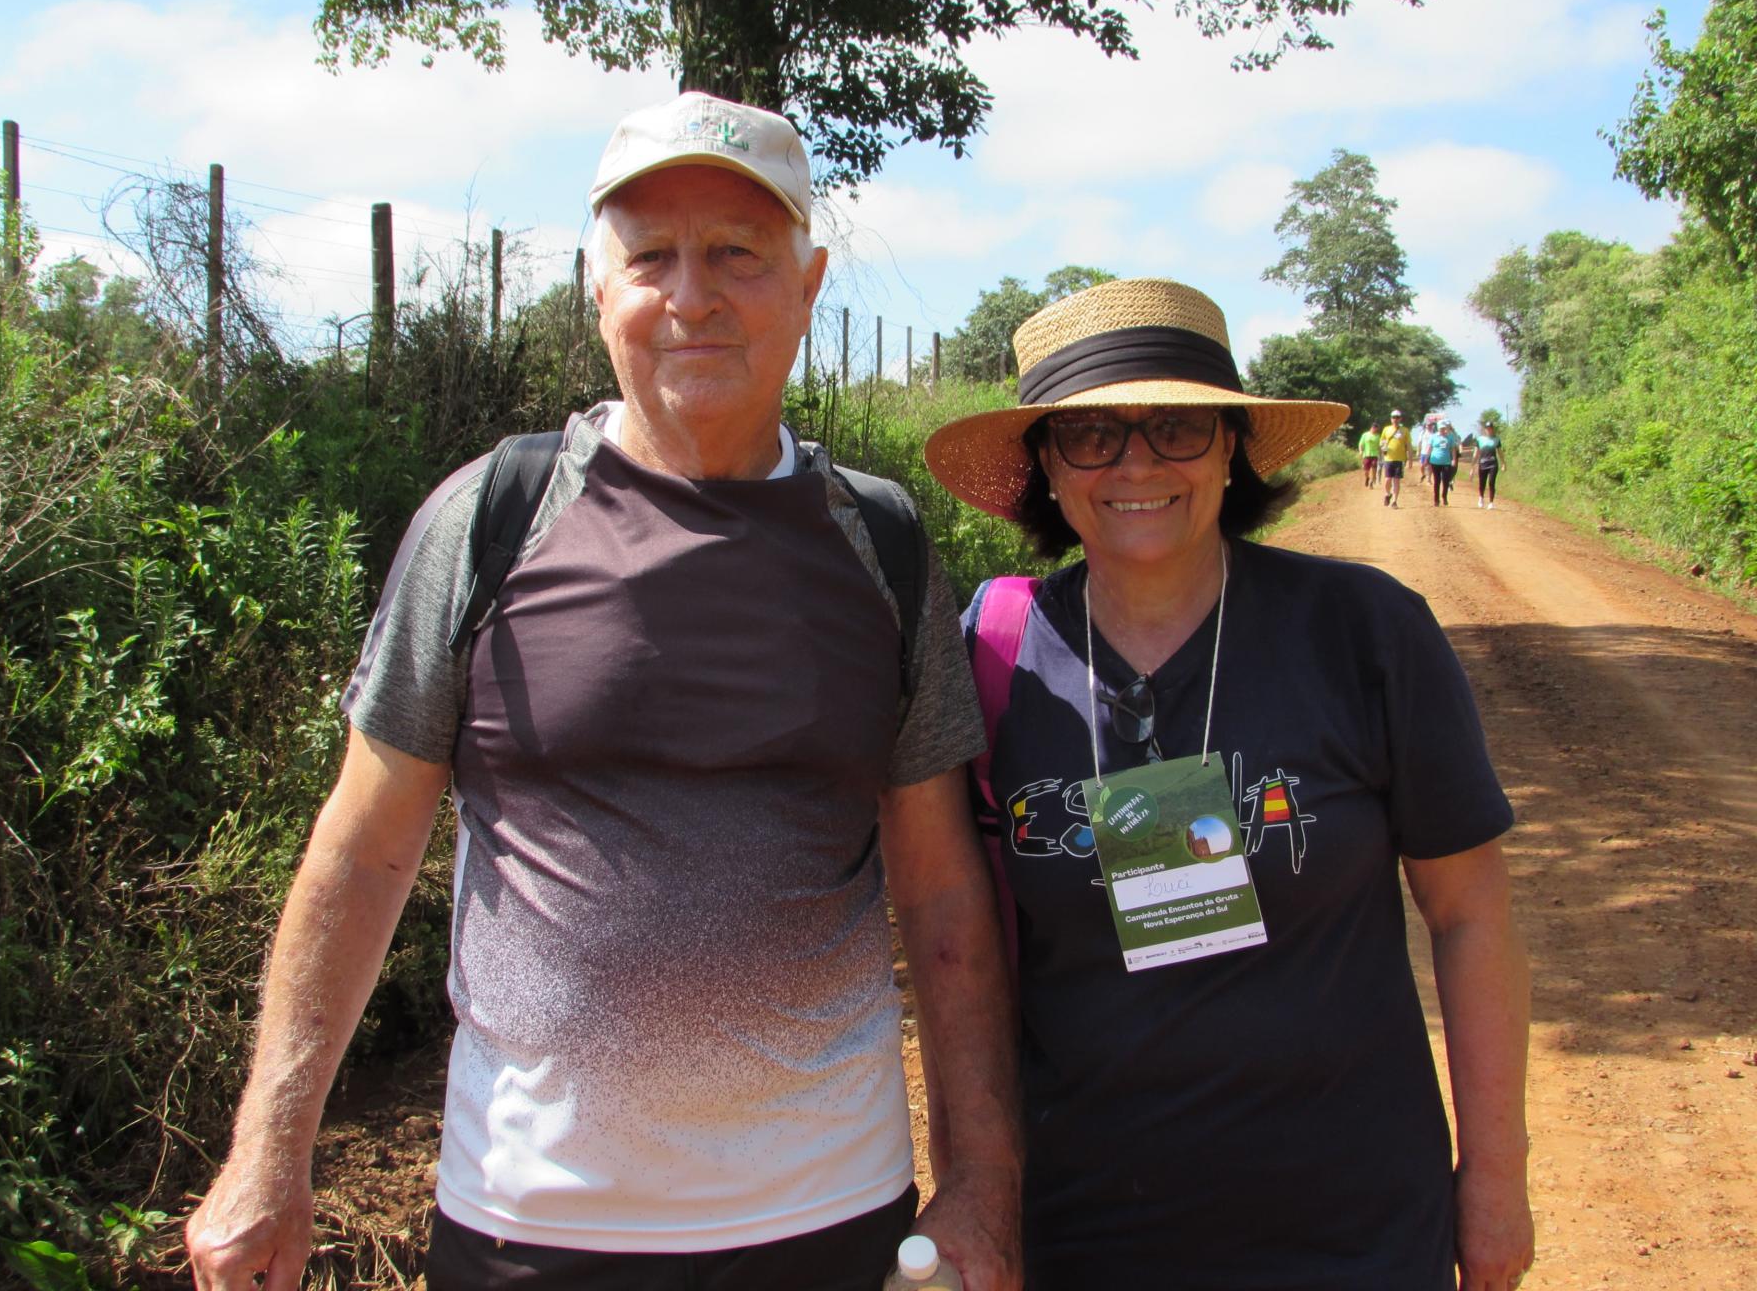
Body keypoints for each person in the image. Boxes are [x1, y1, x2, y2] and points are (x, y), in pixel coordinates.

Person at [185, 92, 1021, 1291]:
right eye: (652, 258)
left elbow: (943, 896)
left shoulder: (882, 546)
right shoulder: (489, 520)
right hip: (528, 1225)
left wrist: (983, 1187)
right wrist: (269, 1150)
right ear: (598, 290)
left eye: (736, 252)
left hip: (834, 1221)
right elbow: (364, 849)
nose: (692, 296)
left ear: (809, 280)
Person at [923, 278, 1533, 1291]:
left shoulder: (1365, 633)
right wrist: (979, 1193)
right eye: (1092, 437)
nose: (1137, 464)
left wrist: (1497, 1179)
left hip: (1356, 1229)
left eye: (1176, 427)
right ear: (1044, 466)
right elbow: (956, 953)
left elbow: (1471, 914)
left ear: (1231, 447)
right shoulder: (994, 656)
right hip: (1085, 1232)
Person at [1379, 410, 1412, 507]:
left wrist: (1410, 459)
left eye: (1397, 417)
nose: (1395, 419)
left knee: (1397, 480)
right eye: (1393, 417)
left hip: (1400, 459)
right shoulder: (1386, 429)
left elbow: (1408, 445)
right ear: (1391, 418)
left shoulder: (1405, 430)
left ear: (1400, 419)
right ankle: (1388, 494)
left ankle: (1394, 501)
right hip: (1389, 458)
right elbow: (1382, 441)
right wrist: (1384, 450)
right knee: (1388, 479)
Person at [1429, 418, 1462, 507]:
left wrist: (1454, 459)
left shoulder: (1450, 437)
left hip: (1446, 462)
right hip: (1435, 461)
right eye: (1441, 428)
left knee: (1445, 480)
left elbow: (1453, 449)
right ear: (1438, 428)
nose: (1443, 430)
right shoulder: (1433, 437)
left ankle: (1444, 497)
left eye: (1444, 428)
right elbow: (1430, 448)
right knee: (1437, 481)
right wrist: (1427, 459)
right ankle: (1436, 500)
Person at [1477, 421, 1506, 508]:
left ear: (1493, 429)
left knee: (1491, 482)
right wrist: (1472, 465)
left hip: (1493, 463)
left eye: (1490, 428)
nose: (1489, 430)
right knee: (1482, 483)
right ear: (1485, 430)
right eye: (1487, 428)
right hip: (1482, 463)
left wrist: (1503, 463)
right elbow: (1476, 453)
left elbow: (1500, 452)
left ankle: (1491, 502)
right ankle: (1481, 497)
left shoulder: (1496, 439)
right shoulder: (1480, 439)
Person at [1357, 421, 1383, 489]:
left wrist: (1381, 454)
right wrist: (1360, 450)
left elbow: (1379, 446)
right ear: (1372, 427)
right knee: (1366, 470)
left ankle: (1371, 482)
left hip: (1374, 455)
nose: (1375, 430)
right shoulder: (1365, 435)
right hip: (1366, 455)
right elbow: (1361, 444)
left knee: (1374, 469)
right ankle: (1367, 478)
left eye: (1377, 429)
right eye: (1375, 428)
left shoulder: (1378, 436)